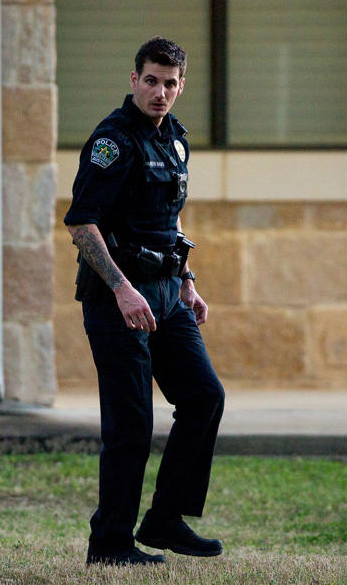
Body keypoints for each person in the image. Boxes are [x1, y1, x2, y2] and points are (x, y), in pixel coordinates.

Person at [63, 36, 226, 567]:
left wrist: (186, 279)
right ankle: (109, 543)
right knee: (131, 424)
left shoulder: (174, 137)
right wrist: (121, 288)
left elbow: (169, 220)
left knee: (203, 397)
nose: (160, 92)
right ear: (133, 79)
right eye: (151, 80)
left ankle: (164, 520)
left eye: (170, 83)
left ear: (181, 86)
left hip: (166, 293)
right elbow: (81, 223)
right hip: (117, 298)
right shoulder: (112, 141)